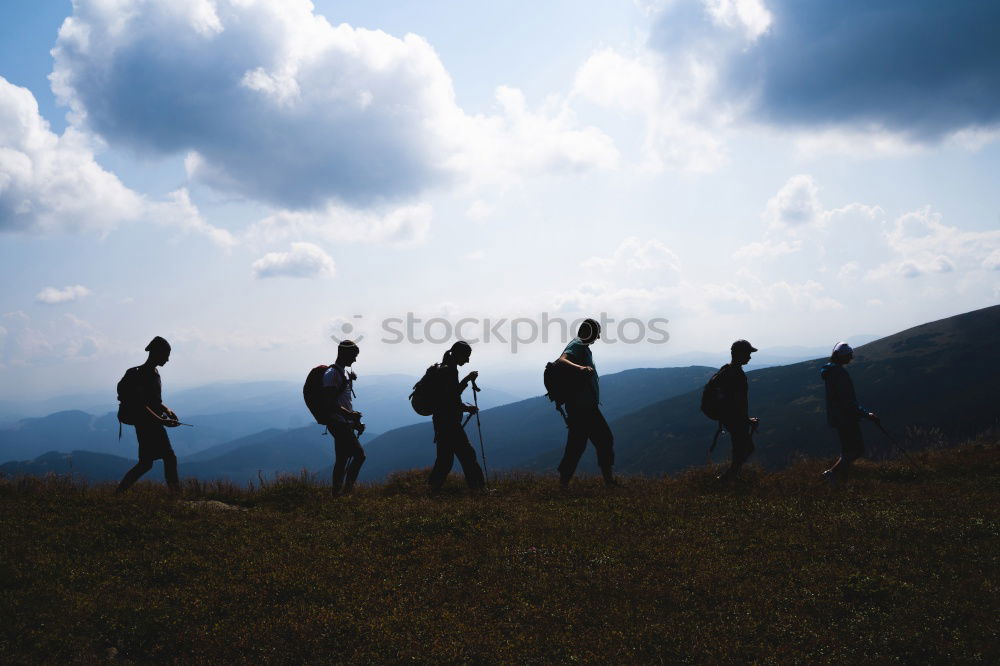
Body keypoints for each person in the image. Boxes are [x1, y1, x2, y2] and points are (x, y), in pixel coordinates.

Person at [555, 318, 617, 488]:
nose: (597, 338)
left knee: (577, 446)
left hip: (582, 407)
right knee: (604, 440)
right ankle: (609, 482)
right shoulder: (577, 344)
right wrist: (580, 368)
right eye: (596, 334)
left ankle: (563, 484)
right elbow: (561, 360)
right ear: (587, 332)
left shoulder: (583, 347)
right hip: (582, 408)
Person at [116, 336, 181, 494]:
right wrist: (161, 419)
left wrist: (167, 410)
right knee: (168, 458)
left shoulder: (154, 373)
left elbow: (154, 401)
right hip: (146, 424)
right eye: (166, 354)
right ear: (157, 353)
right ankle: (176, 495)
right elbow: (141, 405)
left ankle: (118, 493)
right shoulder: (142, 374)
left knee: (146, 463)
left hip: (151, 423)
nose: (168, 359)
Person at [428, 341, 485, 493]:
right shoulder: (450, 371)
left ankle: (432, 489)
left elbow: (449, 395)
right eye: (466, 356)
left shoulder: (445, 367)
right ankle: (478, 489)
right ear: (458, 354)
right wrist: (467, 407)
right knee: (467, 455)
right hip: (449, 422)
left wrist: (466, 380)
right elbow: (450, 399)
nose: (467, 360)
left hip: (441, 421)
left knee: (445, 459)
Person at [820, 342, 877, 483]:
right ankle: (832, 474)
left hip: (838, 417)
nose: (851, 358)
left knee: (848, 450)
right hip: (846, 418)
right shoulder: (840, 374)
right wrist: (866, 414)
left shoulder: (830, 372)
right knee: (856, 450)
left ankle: (840, 478)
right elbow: (848, 401)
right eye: (849, 355)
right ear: (842, 356)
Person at [323, 339, 366, 495]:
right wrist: (349, 415)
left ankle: (336, 494)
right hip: (338, 423)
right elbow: (330, 402)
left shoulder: (343, 373)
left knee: (342, 459)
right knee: (359, 456)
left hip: (342, 422)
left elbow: (342, 401)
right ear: (344, 353)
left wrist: (354, 421)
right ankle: (347, 491)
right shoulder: (332, 374)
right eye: (353, 355)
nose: (355, 359)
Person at [714, 340, 760, 482]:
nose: (750, 357)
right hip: (735, 420)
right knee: (744, 448)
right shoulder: (736, 374)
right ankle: (726, 480)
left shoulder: (727, 369)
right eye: (748, 353)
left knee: (742, 448)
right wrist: (745, 419)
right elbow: (737, 402)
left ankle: (731, 477)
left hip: (731, 418)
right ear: (739, 354)